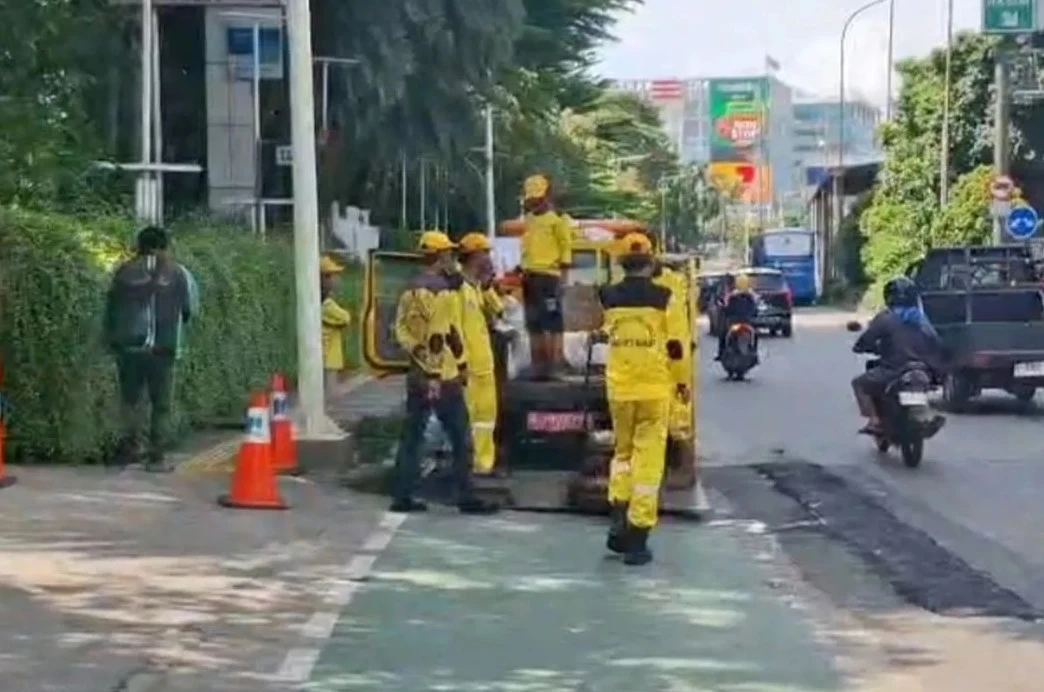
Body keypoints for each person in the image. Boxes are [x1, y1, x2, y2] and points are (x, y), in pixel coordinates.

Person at [389, 230, 499, 515]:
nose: (452, 258)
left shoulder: (409, 290)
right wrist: (446, 370)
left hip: (418, 373)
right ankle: (467, 496)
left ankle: (402, 495)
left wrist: (419, 358)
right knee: (462, 437)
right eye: (448, 253)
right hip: (441, 377)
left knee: (412, 436)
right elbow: (443, 334)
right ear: (439, 257)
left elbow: (401, 331)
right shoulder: (441, 291)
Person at [596, 233, 688, 566]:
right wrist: (681, 386)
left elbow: (606, 333)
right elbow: (676, 346)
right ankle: (637, 537)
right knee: (648, 461)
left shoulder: (608, 296)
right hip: (653, 388)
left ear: (621, 263)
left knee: (622, 453)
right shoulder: (665, 297)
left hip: (619, 389)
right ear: (651, 262)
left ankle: (618, 519)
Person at [104, 226, 194, 472]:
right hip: (162, 349)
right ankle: (156, 457)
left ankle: (129, 447)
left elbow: (110, 308)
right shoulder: (177, 273)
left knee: (130, 400)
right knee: (160, 404)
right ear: (163, 246)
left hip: (128, 348)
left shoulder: (123, 272)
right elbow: (187, 311)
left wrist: (113, 340)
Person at [852, 276, 946, 436]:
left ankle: (875, 421)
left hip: (893, 370)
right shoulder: (921, 319)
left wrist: (863, 347)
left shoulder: (885, 318)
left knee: (859, 384)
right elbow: (936, 342)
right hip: (922, 369)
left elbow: (865, 340)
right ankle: (924, 417)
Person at [455, 232, 506, 476]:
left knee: (486, 419)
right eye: (485, 253)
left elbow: (499, 312)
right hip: (468, 366)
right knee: (470, 419)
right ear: (473, 256)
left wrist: (488, 287)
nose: (489, 259)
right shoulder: (458, 288)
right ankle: (470, 464)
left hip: (483, 365)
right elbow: (452, 328)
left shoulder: (476, 288)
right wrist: (459, 363)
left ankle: (484, 464)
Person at [519, 174, 573, 379]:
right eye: (531, 199)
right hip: (529, 276)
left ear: (547, 196)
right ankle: (538, 364)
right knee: (534, 323)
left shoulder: (558, 219)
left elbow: (565, 249)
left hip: (549, 277)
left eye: (538, 198)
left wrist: (563, 280)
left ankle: (554, 364)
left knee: (552, 323)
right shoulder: (529, 219)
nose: (534, 202)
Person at [320, 255, 353, 395]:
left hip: (329, 359)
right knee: (330, 398)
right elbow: (346, 318)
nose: (336, 280)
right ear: (324, 278)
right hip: (328, 359)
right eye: (333, 276)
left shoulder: (325, 302)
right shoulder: (326, 305)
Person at [716, 272, 757, 360]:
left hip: (734, 322)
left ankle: (720, 353)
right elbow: (754, 309)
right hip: (747, 321)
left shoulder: (732, 296)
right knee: (755, 335)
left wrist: (723, 310)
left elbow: (727, 308)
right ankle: (754, 352)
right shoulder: (751, 295)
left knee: (723, 335)